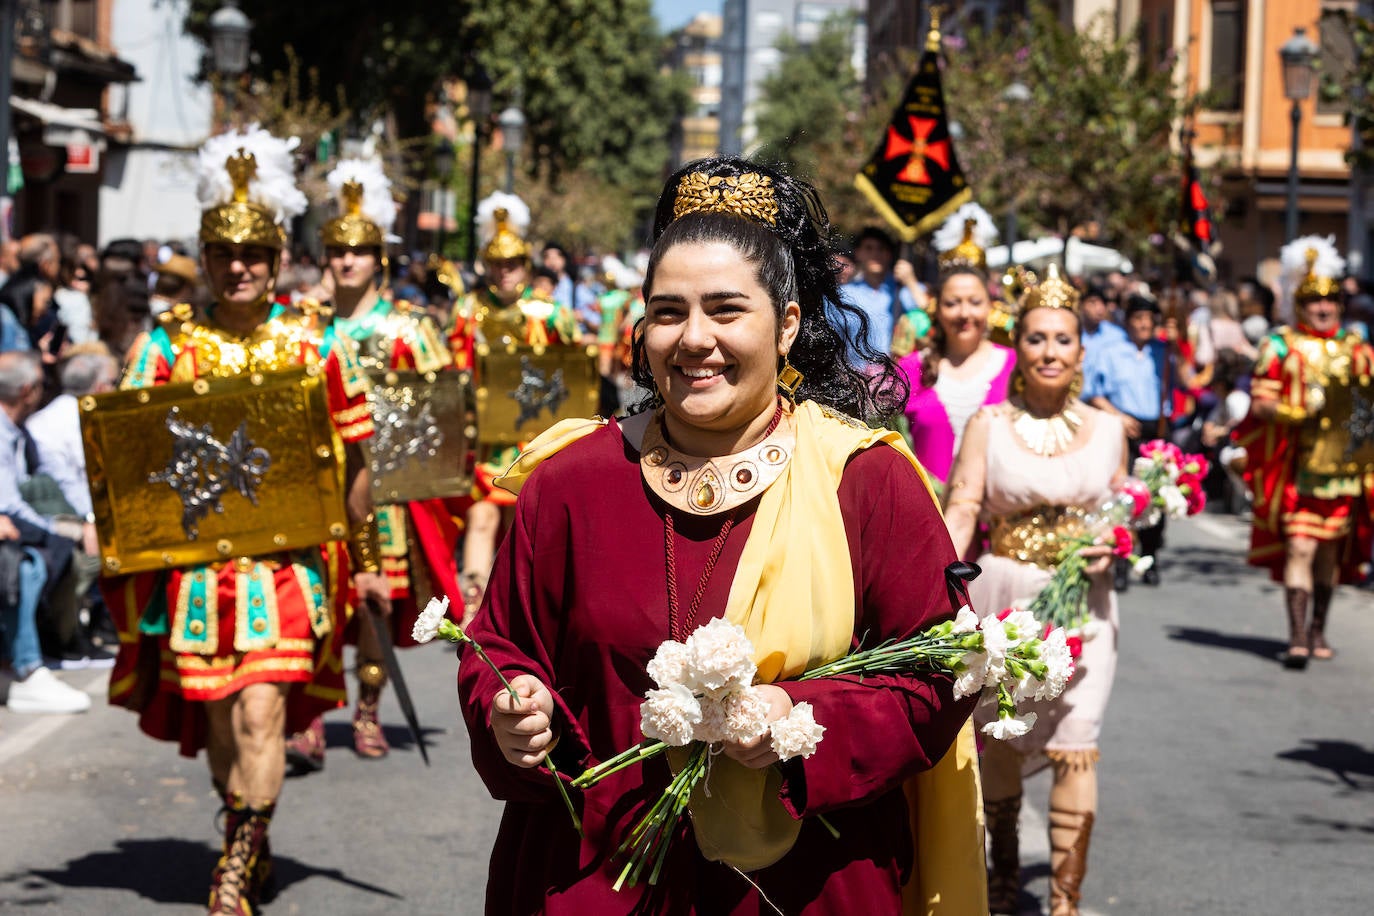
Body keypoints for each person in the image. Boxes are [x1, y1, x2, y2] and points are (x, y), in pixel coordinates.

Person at [457, 157, 984, 914]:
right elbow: (501, 646)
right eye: (668, 312)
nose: (693, 339)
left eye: (726, 310)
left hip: (806, 884)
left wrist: (802, 721)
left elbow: (941, 671)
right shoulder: (572, 481)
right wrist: (510, 709)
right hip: (597, 878)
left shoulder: (864, 481)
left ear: (790, 324)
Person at [101, 127, 388, 915]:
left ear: (275, 256)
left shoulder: (316, 338)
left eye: (255, 253)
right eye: (225, 253)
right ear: (206, 252)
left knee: (262, 708)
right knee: (223, 719)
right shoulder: (167, 343)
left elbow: (359, 457)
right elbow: (124, 451)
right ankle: (243, 828)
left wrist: (364, 554)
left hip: (287, 564)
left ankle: (237, 858)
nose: (240, 267)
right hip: (196, 568)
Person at [943, 270, 1125, 916]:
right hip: (1005, 596)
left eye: (1063, 340)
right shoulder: (989, 425)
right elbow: (963, 507)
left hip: (1085, 605)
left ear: (1081, 351)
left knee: (1078, 740)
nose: (1050, 351)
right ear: (1018, 346)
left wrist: (1114, 542)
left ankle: (1064, 901)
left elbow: (1122, 511)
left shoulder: (1109, 430)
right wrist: (930, 564)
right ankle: (1001, 882)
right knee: (1004, 739)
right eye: (1038, 338)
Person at [284, 158, 460, 769]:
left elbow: (441, 410)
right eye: (336, 251)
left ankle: (366, 707)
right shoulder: (300, 327)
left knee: (373, 602)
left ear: (376, 258)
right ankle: (306, 714)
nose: (346, 262)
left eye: (357, 252)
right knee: (313, 598)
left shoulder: (408, 327)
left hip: (383, 487)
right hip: (316, 485)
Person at [1237, 236, 1374, 669]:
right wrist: (1295, 412)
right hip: (1297, 468)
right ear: (1299, 303)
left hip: (1345, 470)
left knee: (1330, 555)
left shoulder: (1359, 349)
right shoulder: (1281, 346)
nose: (1324, 307)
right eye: (1314, 300)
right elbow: (1260, 401)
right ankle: (1297, 634)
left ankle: (1318, 628)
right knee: (1300, 547)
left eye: (1331, 299)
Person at [445, 192, 578, 622]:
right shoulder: (469, 309)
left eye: (513, 264)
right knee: (483, 517)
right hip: (487, 437)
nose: (505, 274)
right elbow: (454, 369)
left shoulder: (549, 312)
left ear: (526, 265)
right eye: (498, 265)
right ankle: (473, 604)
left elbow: (574, 373)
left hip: (536, 438)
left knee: (526, 527)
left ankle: (523, 611)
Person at [896, 209, 1014, 486]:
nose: (964, 313)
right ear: (937, 308)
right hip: (927, 517)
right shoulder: (910, 369)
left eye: (974, 302)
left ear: (990, 306)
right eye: (952, 303)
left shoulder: (1015, 366)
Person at [837, 225, 921, 360]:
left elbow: (929, 315)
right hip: (855, 375)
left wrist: (911, 281)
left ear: (890, 254)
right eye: (869, 248)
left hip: (898, 373)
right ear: (858, 253)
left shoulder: (904, 290)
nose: (875, 254)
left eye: (881, 248)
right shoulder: (843, 295)